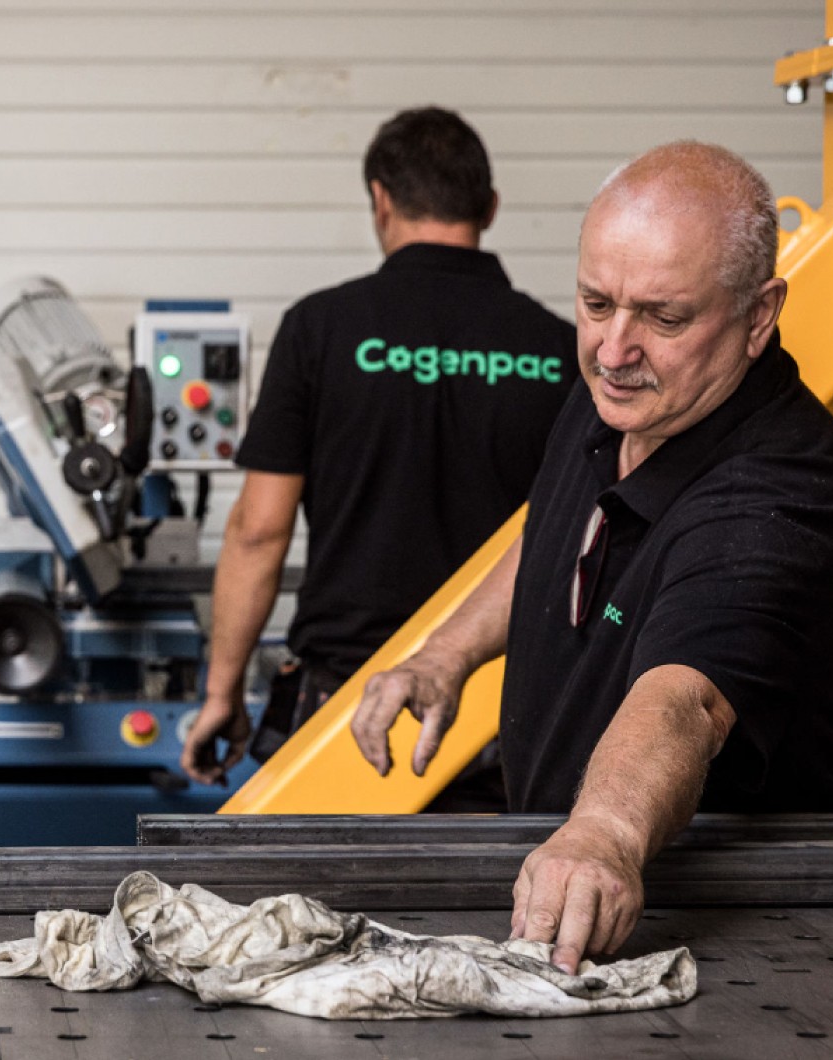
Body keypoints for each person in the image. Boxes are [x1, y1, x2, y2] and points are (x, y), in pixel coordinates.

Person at [349, 142, 833, 976]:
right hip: (601, 903)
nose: (614, 348)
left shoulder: (785, 496)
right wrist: (446, 654)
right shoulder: (626, 396)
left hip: (789, 940)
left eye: (664, 316)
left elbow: (686, 701)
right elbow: (560, 529)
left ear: (760, 316)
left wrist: (603, 831)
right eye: (595, 302)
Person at [181, 107, 576, 792]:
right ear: (488, 207)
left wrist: (222, 694)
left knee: (318, 901)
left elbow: (259, 530)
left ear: (381, 199)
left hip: (343, 708)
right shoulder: (560, 348)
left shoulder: (320, 329)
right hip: (497, 716)